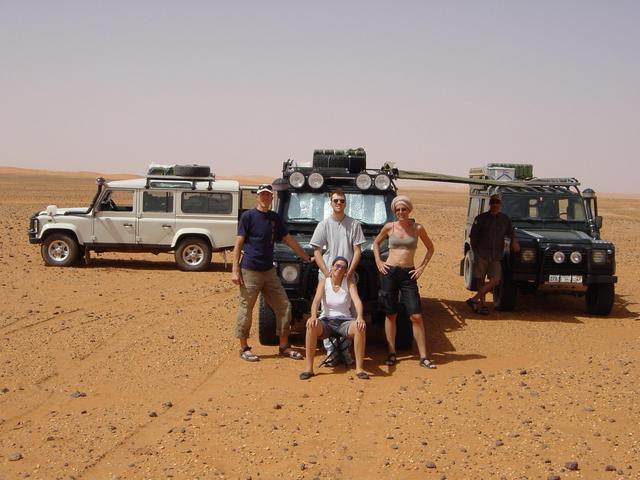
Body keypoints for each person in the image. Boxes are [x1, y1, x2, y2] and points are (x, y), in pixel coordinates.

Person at [232, 183, 312, 362]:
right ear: (258, 197)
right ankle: (244, 347)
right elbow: (239, 243)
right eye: (262, 195)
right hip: (249, 270)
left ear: (271, 197)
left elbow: (289, 239)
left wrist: (306, 257)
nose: (265, 198)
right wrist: (235, 270)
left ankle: (284, 346)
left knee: (284, 306)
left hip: (269, 271)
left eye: (268, 195)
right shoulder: (248, 216)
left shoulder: (275, 218)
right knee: (246, 308)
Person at [373, 194, 437, 369]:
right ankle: (392, 353)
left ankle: (424, 356)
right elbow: (376, 243)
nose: (401, 212)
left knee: (416, 315)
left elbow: (431, 248)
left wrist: (422, 267)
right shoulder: (389, 227)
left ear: (409, 210)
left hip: (409, 274)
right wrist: (379, 262)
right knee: (391, 314)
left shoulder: (417, 228)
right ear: (395, 211)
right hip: (390, 272)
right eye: (398, 209)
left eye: (404, 209)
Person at [310, 189, 365, 365]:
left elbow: (357, 250)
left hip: (348, 276)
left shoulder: (354, 224)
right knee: (326, 311)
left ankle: (344, 349)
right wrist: (326, 272)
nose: (339, 203)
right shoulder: (324, 224)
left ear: (345, 203)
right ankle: (331, 351)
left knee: (352, 313)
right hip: (328, 275)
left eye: (342, 201)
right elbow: (317, 251)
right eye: (336, 201)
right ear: (331, 203)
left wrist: (350, 271)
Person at [300, 256, 369, 380]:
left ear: (346, 271)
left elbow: (357, 301)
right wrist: (313, 316)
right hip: (327, 321)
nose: (339, 269)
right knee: (311, 325)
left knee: (359, 328)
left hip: (345, 322)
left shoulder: (349, 283)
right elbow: (316, 301)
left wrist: (359, 317)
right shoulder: (324, 282)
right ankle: (309, 368)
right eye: (337, 265)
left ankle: (359, 369)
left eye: (343, 267)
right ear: (332, 267)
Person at [466, 194, 520, 314]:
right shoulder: (480, 218)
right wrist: (475, 251)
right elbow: (473, 236)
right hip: (482, 253)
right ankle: (481, 305)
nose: (495, 205)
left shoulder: (505, 219)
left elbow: (511, 233)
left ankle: (474, 299)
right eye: (493, 202)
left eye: (497, 203)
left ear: (500, 205)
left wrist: (514, 242)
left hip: (496, 255)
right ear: (490, 204)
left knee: (495, 280)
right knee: (480, 280)